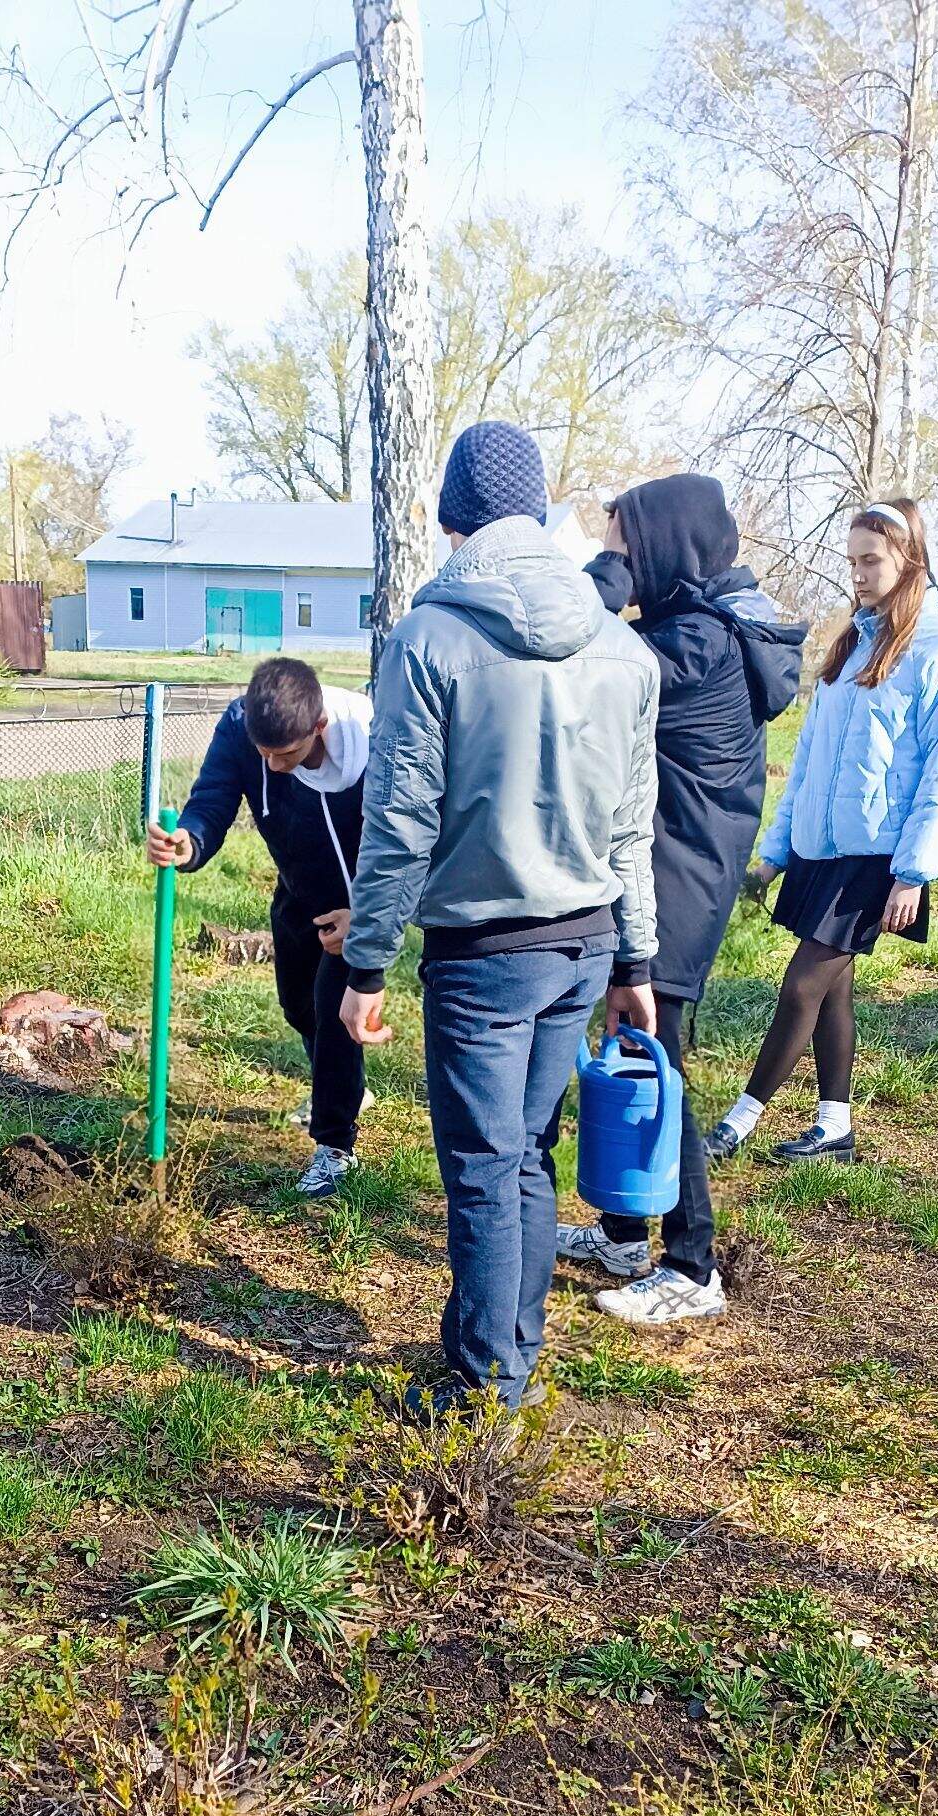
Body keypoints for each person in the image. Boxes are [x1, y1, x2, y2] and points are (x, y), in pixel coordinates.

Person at [340, 420, 660, 1413]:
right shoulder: (622, 647)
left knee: (484, 1168)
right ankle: (506, 1349)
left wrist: (363, 966)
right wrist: (633, 962)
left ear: (447, 519)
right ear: (535, 511)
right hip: (583, 942)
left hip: (484, 953)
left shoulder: (427, 638)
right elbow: (631, 829)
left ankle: (485, 1389)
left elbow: (396, 820)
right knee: (522, 1156)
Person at [555, 473, 806, 1327]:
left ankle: (691, 1262)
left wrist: (602, 584)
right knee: (630, 1042)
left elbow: (575, 661)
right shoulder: (695, 628)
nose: (618, 555)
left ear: (662, 547)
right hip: (676, 861)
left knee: (665, 1067)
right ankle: (626, 1233)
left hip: (680, 876)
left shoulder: (693, 643)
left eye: (627, 543)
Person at [708, 497, 938, 1166]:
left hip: (877, 855)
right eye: (852, 560)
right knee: (831, 990)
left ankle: (739, 1121)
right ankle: (834, 1126)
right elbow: (807, 762)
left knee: (803, 983)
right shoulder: (854, 642)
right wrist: (773, 855)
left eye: (871, 560)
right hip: (820, 849)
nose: (858, 574)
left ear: (908, 557)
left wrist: (913, 873)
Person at [148, 656, 370, 1199]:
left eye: (286, 754)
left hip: (363, 899)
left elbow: (407, 836)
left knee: (333, 1009)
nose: (271, 767)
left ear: (318, 727)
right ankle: (344, 1091)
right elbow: (215, 797)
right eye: (263, 753)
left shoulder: (372, 739)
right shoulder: (240, 728)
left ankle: (335, 1146)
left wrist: (368, 914)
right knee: (298, 1007)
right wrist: (191, 842)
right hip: (298, 890)